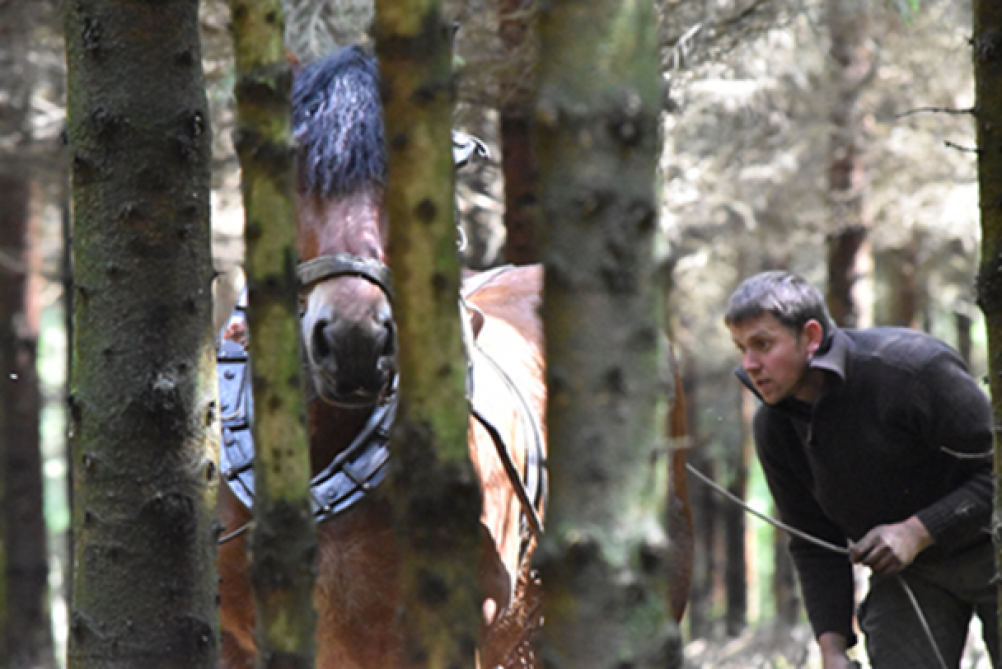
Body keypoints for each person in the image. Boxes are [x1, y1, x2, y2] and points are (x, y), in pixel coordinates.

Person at [724, 270, 998, 669]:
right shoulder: (775, 425)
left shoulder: (911, 370)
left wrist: (917, 531)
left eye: (763, 345)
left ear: (811, 337)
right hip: (910, 575)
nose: (750, 364)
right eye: (741, 348)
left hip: (993, 545)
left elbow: (999, 474)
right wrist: (832, 650)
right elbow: (812, 541)